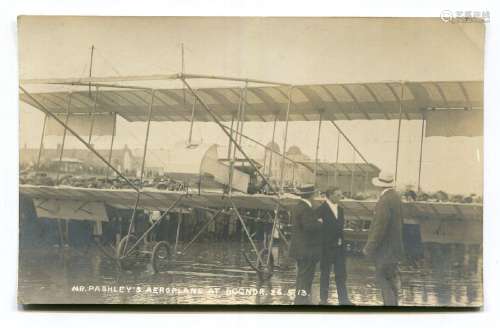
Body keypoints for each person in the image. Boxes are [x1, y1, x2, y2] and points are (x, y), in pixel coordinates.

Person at [363, 171, 404, 306]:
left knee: (383, 279)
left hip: (384, 250)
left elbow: (379, 227)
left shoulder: (384, 200)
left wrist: (369, 247)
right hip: (395, 248)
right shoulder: (396, 197)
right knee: (392, 280)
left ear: (379, 185)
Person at [317, 187, 352, 305]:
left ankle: (344, 300)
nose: (340, 197)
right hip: (326, 248)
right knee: (325, 274)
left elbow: (340, 228)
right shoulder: (321, 210)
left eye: (340, 195)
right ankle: (323, 300)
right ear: (330, 195)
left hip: (339, 248)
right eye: (337, 195)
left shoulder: (341, 210)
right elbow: (317, 230)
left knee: (341, 274)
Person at [289, 184, 323, 305]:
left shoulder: (298, 207)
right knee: (306, 277)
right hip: (307, 250)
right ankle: (301, 302)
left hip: (299, 249)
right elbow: (309, 227)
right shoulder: (306, 209)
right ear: (312, 195)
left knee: (302, 276)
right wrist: (320, 222)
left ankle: (301, 300)